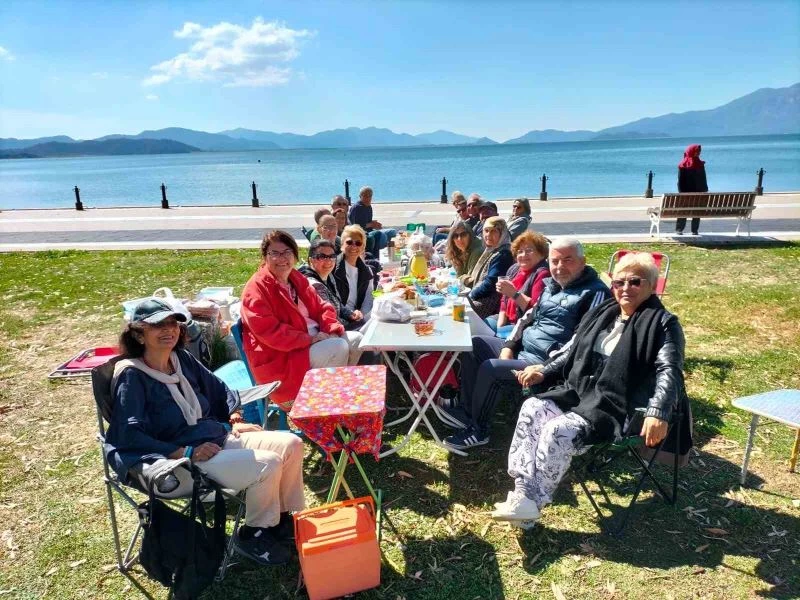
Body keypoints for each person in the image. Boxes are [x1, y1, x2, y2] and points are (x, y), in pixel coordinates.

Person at [106, 298, 305, 565]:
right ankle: (253, 534)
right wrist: (183, 451)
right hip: (179, 465)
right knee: (266, 465)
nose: (169, 330)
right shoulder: (132, 376)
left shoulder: (180, 359)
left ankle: (277, 520)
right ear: (139, 334)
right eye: (157, 326)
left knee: (291, 444)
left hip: (214, 439)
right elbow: (129, 435)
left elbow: (219, 389)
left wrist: (234, 419)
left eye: (172, 323)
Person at [492, 253, 686, 527]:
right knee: (532, 407)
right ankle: (522, 494)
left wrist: (658, 411)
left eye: (635, 282)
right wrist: (544, 370)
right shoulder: (603, 313)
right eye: (619, 282)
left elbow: (670, 369)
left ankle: (532, 502)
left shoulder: (663, 323)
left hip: (616, 404)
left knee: (557, 430)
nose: (625, 288)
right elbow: (571, 349)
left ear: (651, 285)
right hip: (580, 392)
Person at [444, 237, 610, 450]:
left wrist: (545, 368)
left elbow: (582, 342)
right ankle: (467, 411)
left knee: (491, 368)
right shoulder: (551, 286)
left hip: (547, 365)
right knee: (474, 345)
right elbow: (526, 319)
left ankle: (479, 430)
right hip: (523, 351)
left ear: (583, 260)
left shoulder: (595, 293)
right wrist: (508, 346)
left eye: (567, 260)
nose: (559, 267)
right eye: (555, 261)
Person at [240, 230, 362, 409]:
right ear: (265, 257)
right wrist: (311, 339)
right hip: (283, 358)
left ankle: (334, 398)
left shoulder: (295, 278)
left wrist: (330, 329)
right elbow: (271, 332)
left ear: (295, 256)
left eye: (287, 252)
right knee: (338, 348)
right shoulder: (256, 289)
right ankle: (324, 408)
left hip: (312, 343)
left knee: (357, 340)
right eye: (275, 253)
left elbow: (323, 307)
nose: (282, 258)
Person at [486, 231, 550, 339]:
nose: (523, 255)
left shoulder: (542, 274)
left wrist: (514, 294)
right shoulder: (515, 269)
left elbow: (535, 312)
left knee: (479, 340)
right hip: (507, 319)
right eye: (520, 251)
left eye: (529, 250)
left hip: (523, 325)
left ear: (541, 254)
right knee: (478, 326)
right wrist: (500, 326)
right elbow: (503, 300)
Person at [299, 238, 365, 331]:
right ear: (311, 260)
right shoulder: (314, 285)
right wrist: (357, 323)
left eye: (332, 256)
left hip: (335, 325)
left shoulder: (329, 276)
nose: (329, 261)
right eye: (322, 256)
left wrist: (351, 314)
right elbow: (330, 318)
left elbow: (337, 303)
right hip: (323, 332)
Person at [461, 216, 514, 320]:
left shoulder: (503, 254)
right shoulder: (492, 250)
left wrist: (471, 295)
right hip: (481, 296)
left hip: (489, 303)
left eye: (494, 231)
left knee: (458, 312)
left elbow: (491, 283)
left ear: (502, 233)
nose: (488, 235)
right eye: (486, 231)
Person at [333, 225, 375, 324]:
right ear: (342, 244)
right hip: (339, 318)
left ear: (363, 247)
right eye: (349, 242)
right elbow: (331, 300)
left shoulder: (367, 271)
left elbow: (368, 300)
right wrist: (349, 315)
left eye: (358, 243)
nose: (354, 246)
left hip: (359, 318)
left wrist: (361, 315)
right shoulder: (332, 268)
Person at [348, 186, 397, 254]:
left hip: (370, 231)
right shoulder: (357, 208)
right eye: (365, 196)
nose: (368, 198)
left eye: (369, 196)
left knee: (392, 232)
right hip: (361, 234)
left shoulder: (368, 206)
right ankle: (379, 255)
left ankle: (389, 250)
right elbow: (357, 227)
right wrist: (372, 224)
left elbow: (367, 222)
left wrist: (374, 224)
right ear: (360, 196)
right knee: (382, 235)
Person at [675, 143, 709, 236]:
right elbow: (703, 181)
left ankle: (679, 229)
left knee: (683, 209)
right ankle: (694, 230)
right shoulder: (700, 164)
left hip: (685, 194)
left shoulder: (683, 165)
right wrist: (704, 191)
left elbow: (680, 182)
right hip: (698, 194)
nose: (698, 153)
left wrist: (682, 194)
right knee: (697, 208)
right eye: (698, 152)